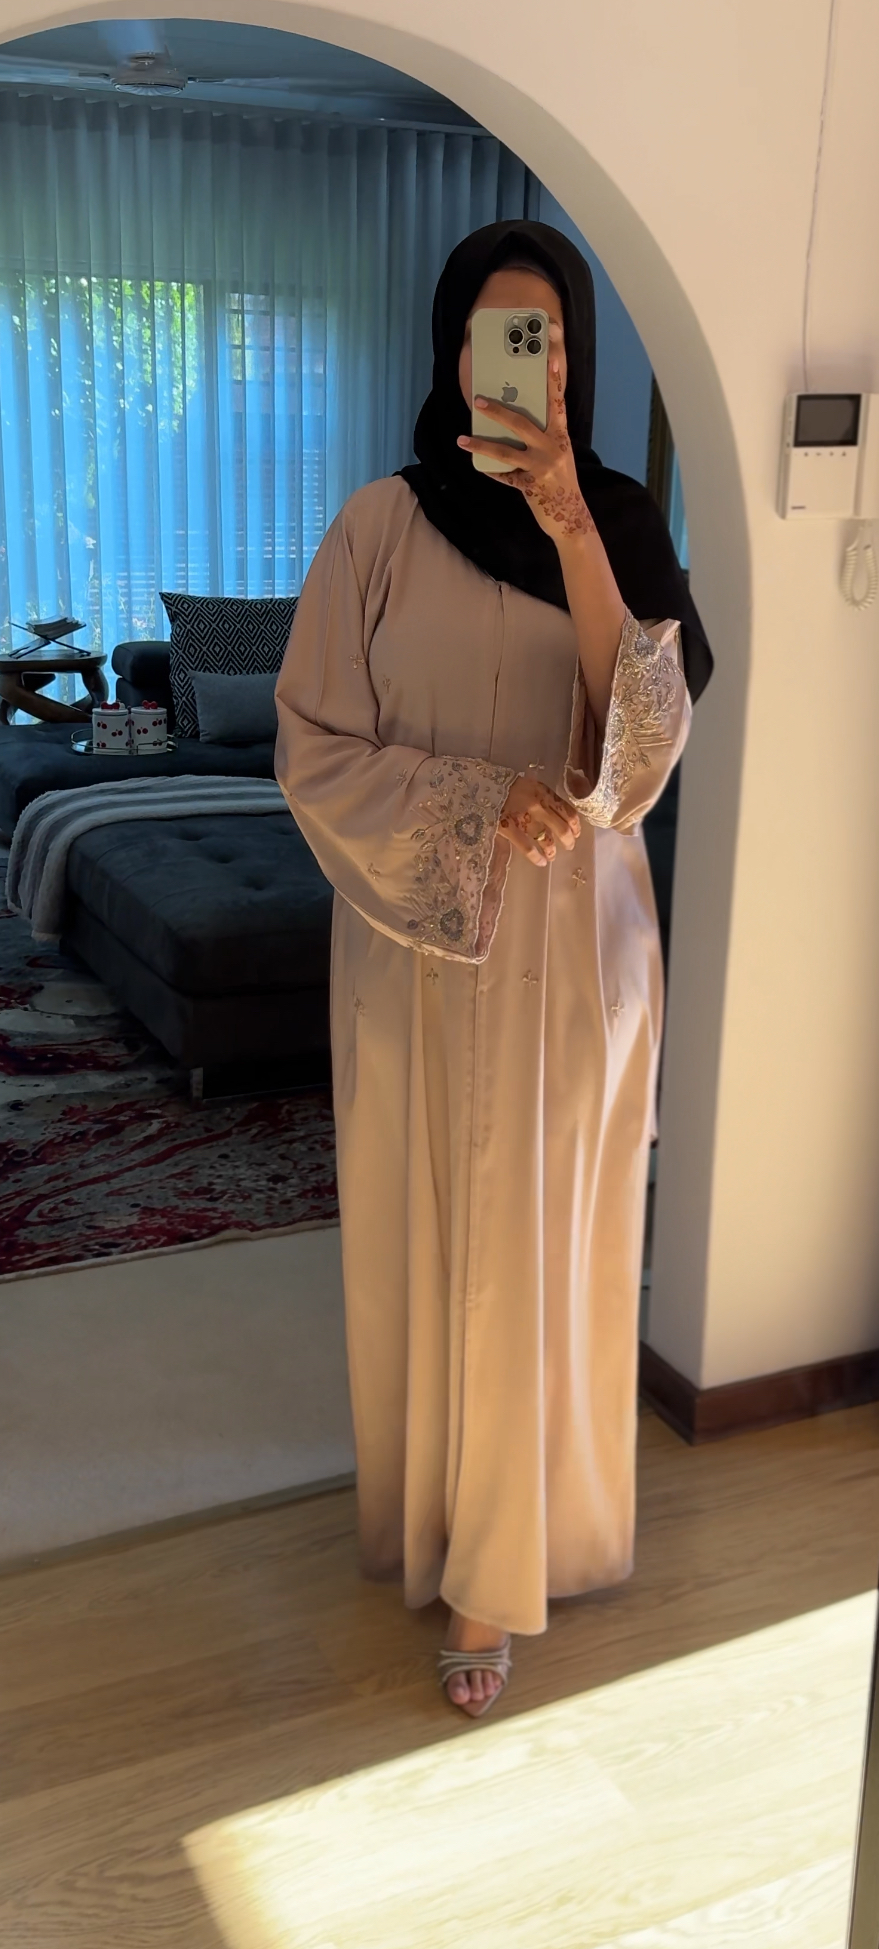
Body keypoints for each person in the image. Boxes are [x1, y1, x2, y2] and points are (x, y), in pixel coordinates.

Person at [274, 219, 713, 1720]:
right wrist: (476, 801)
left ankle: (505, 1567)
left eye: (552, 339)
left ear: (572, 361)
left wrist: (574, 522)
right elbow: (315, 748)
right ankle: (434, 1519)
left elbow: (641, 753)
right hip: (417, 944)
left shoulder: (626, 526)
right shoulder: (379, 529)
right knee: (428, 1234)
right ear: (454, 352)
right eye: (498, 334)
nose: (529, 363)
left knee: (544, 1243)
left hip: (573, 947)